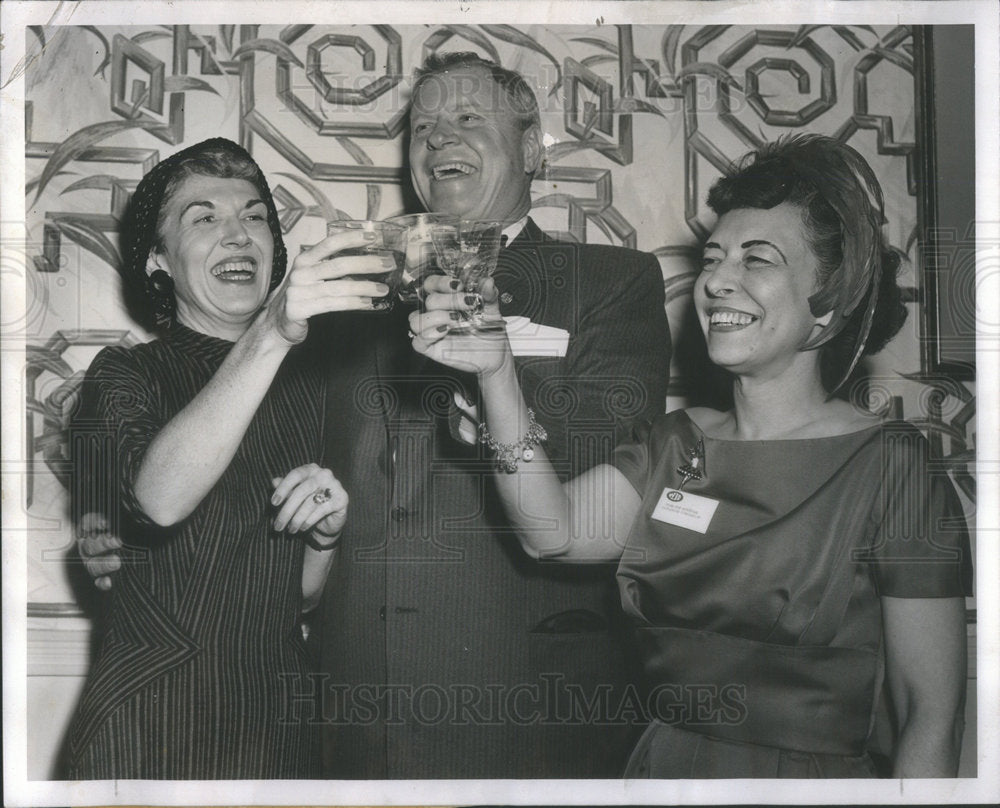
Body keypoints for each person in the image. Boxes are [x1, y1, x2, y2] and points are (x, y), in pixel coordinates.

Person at [79, 53, 671, 778]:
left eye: (466, 119)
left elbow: (606, 490)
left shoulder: (610, 284)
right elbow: (239, 460)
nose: (439, 139)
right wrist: (119, 531)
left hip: (524, 708)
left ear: (530, 147)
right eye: (422, 126)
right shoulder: (344, 303)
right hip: (340, 717)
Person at [410, 134, 972, 778]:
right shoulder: (675, 442)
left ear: (828, 308)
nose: (717, 281)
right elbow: (552, 534)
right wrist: (498, 374)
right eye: (714, 258)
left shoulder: (891, 465)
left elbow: (930, 712)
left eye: (757, 260)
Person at [66, 137, 388, 779]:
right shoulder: (125, 375)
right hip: (151, 725)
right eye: (204, 217)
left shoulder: (310, 389)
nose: (238, 235)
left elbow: (289, 598)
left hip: (277, 725)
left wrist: (323, 535)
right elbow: (156, 500)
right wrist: (273, 331)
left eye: (255, 216)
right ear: (158, 259)